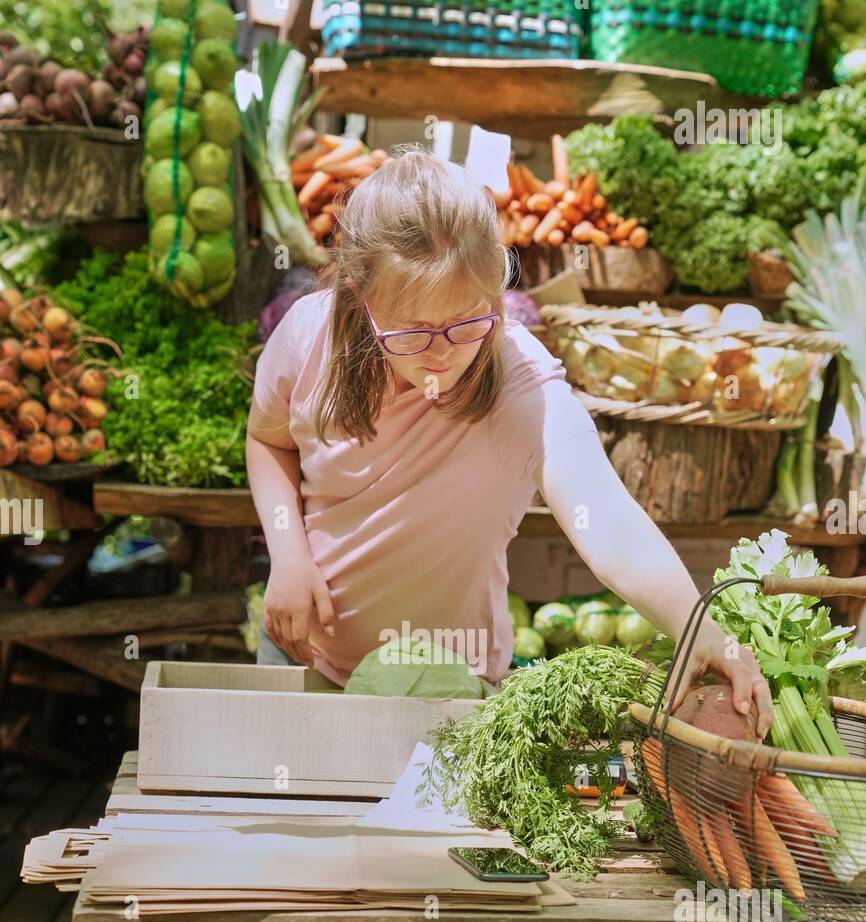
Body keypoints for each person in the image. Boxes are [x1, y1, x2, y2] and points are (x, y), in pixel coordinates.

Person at [247, 147, 773, 733]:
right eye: (414, 332)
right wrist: (288, 554)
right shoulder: (308, 337)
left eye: (467, 321)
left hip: (456, 696)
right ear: (360, 298)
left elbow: (604, 515)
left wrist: (697, 626)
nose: (444, 352)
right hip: (305, 659)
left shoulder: (518, 377)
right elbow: (268, 442)